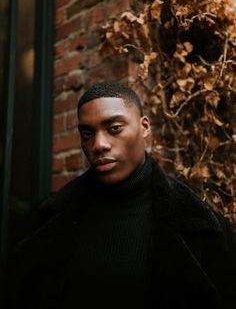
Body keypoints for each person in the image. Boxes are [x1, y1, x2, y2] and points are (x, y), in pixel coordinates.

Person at [5, 82, 236, 309]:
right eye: (87, 133)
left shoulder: (204, 228)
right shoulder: (46, 221)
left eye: (114, 128)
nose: (99, 144)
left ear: (144, 127)